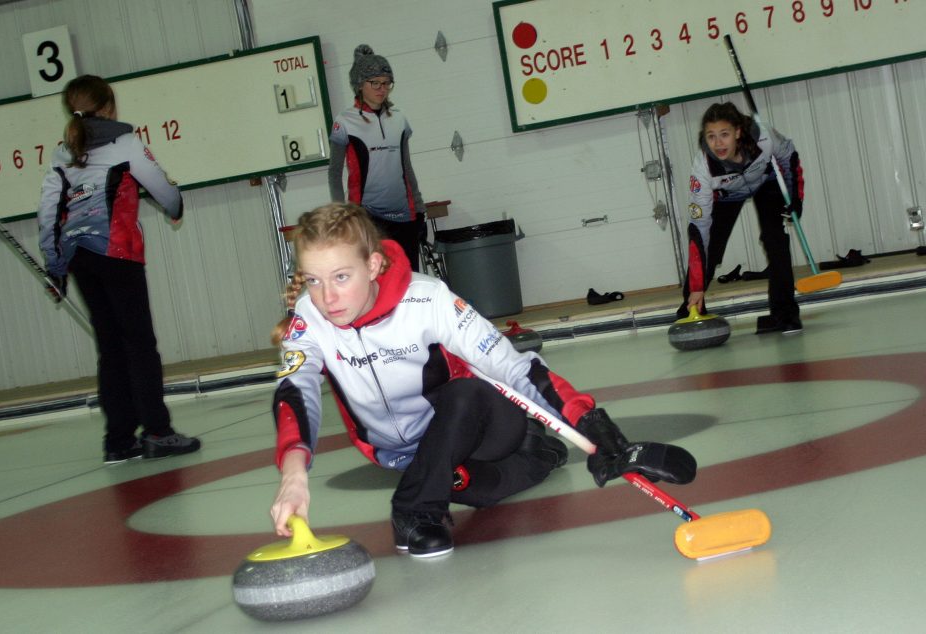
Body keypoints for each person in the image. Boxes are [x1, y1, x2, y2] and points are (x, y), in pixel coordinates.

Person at [268, 203, 693, 557]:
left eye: (341, 277)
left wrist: (594, 427)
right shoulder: (309, 318)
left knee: (467, 392)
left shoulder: (427, 298)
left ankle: (413, 509)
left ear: (374, 264)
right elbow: (295, 390)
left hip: (477, 426)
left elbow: (511, 365)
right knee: (480, 487)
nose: (328, 298)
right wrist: (293, 474)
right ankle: (537, 452)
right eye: (315, 281)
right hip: (405, 455)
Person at [37, 74, 201, 465]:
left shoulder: (62, 154)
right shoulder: (125, 143)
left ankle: (118, 440)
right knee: (139, 344)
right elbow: (164, 191)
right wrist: (175, 205)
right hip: (117, 251)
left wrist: (55, 268)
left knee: (110, 348)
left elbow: (48, 216)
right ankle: (158, 432)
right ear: (109, 106)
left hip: (78, 257)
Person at [680, 101, 805, 334]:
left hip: (765, 183)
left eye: (724, 134)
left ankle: (785, 314)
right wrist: (697, 286)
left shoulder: (764, 137)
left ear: (738, 132)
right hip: (728, 195)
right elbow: (698, 230)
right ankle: (691, 311)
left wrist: (795, 198)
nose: (718, 143)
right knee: (711, 247)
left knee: (774, 238)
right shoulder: (703, 169)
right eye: (711, 136)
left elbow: (789, 157)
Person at [328, 44, 428, 272]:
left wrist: (419, 209)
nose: (381, 89)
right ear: (359, 85)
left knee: (409, 279)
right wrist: (340, 213)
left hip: (405, 216)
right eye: (375, 83)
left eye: (386, 83)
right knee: (379, 279)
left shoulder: (400, 119)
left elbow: (407, 168)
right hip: (367, 217)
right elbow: (334, 173)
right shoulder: (344, 122)